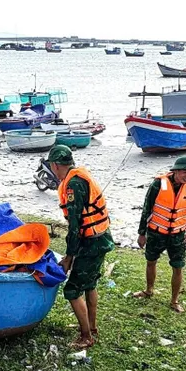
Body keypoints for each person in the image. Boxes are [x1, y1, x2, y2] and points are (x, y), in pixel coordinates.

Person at [47, 145, 114, 348]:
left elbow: (75, 227)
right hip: (100, 237)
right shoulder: (79, 177)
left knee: (73, 290)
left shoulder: (73, 185)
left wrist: (69, 257)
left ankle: (86, 336)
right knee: (90, 284)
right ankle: (91, 327)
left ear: (55, 165)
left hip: (91, 243)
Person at [135, 155, 186, 312]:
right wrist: (142, 233)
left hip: (178, 235)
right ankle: (149, 290)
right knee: (151, 261)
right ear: (176, 171)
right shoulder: (158, 184)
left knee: (178, 267)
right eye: (184, 172)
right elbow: (147, 209)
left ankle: (174, 300)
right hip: (156, 232)